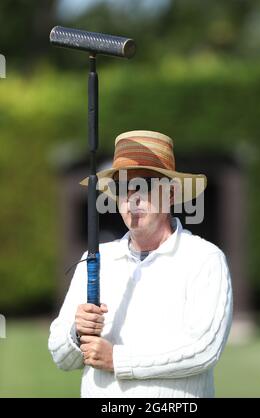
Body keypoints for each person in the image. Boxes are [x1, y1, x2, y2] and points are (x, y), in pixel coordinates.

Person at [48, 130, 233, 398]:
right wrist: (77, 334)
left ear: (171, 195)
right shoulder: (97, 259)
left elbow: (205, 349)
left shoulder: (205, 259)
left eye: (144, 186)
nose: (133, 198)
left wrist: (118, 360)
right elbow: (60, 356)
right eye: (122, 187)